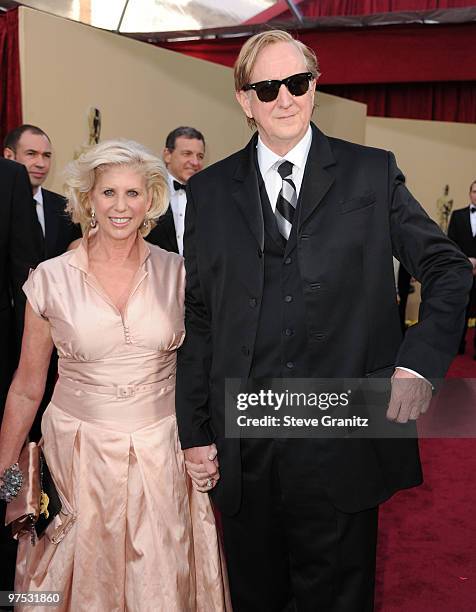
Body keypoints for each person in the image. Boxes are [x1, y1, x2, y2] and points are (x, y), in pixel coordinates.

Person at [175, 30, 472, 611]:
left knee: (339, 597)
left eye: (296, 82)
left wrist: (417, 364)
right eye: (267, 87)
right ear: (244, 98)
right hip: (247, 431)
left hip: (344, 427)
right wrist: (195, 430)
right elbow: (200, 316)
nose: (284, 98)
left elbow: (448, 269)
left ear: (315, 88)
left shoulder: (371, 172)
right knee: (258, 596)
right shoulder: (209, 191)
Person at [0, 140, 230, 611]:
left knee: (162, 578)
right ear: (87, 200)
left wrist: (207, 439)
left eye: (132, 193)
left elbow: (205, 369)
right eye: (107, 193)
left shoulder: (180, 274)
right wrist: (5, 477)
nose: (120, 206)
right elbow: (27, 385)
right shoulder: (49, 278)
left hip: (162, 450)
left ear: (151, 200)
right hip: (78, 457)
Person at [4, 125, 82, 441]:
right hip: (10, 333)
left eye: (47, 155)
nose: (40, 162)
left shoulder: (63, 208)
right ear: (9, 157)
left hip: (56, 338)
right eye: (31, 154)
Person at [0, 157, 43, 602]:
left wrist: (27, 378)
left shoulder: (9, 178)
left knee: (4, 484)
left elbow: (26, 277)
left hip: (3, 370)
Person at [147, 126, 205, 254]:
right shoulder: (149, 190)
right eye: (187, 154)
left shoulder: (208, 197)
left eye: (200, 156)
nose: (195, 162)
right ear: (167, 155)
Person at [448, 179, 476, 358]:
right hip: (462, 272)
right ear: (469, 193)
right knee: (461, 310)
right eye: (474, 191)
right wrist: (466, 262)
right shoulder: (457, 215)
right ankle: (458, 344)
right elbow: (450, 243)